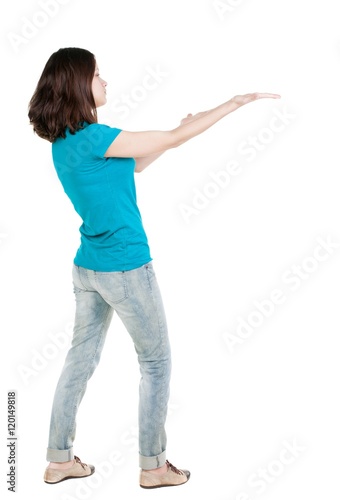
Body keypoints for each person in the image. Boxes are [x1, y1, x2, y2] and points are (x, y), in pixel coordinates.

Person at [28, 47, 280, 489]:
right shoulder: (96, 137)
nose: (105, 81)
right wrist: (230, 106)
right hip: (125, 268)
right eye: (98, 74)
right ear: (77, 83)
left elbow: (139, 161)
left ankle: (59, 460)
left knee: (79, 361)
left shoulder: (69, 143)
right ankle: (154, 467)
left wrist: (178, 131)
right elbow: (166, 139)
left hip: (88, 269)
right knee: (156, 363)